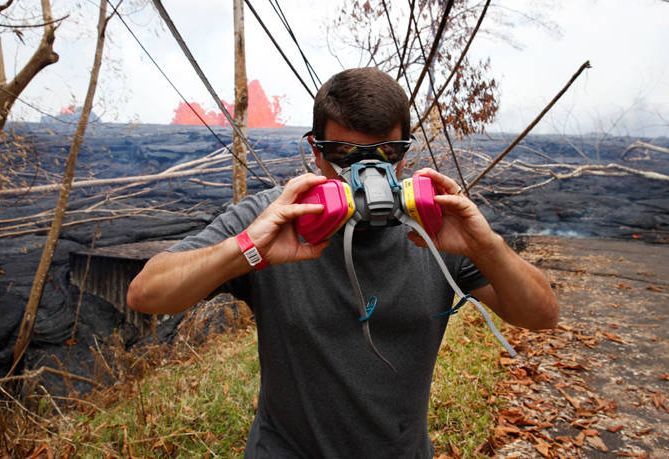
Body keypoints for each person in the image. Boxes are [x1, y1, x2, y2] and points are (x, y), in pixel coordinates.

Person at [127, 67, 558, 458]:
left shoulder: (437, 228)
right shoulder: (274, 218)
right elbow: (146, 293)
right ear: (316, 151)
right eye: (346, 155)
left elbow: (541, 315)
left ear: (405, 153)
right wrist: (247, 249)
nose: (367, 172)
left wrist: (486, 247)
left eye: (386, 153)